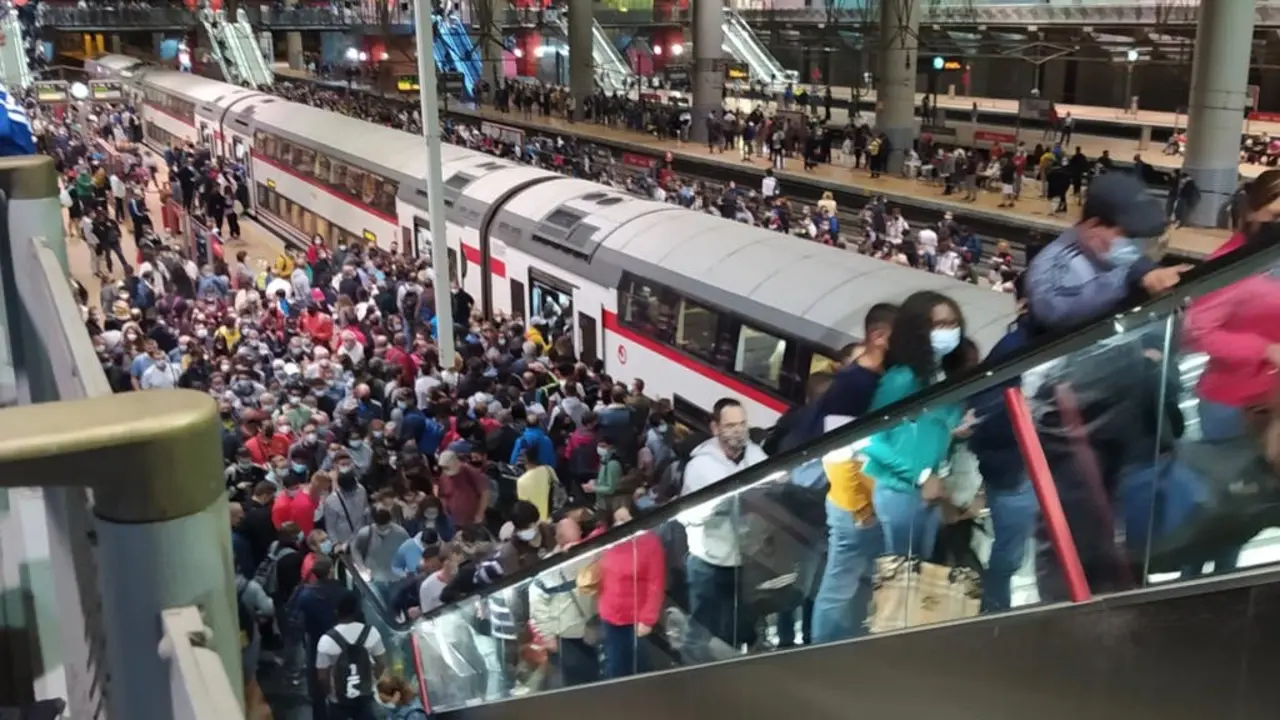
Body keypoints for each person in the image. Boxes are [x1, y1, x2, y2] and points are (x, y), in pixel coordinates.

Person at [861, 291, 974, 560]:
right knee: (901, 573)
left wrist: (959, 429)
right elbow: (869, 440)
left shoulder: (943, 375)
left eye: (953, 324)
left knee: (918, 571)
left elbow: (937, 428)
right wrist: (922, 476)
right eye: (939, 324)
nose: (949, 331)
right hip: (901, 491)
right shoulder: (901, 379)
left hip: (932, 489)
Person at [1024, 172, 1187, 332]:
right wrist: (1129, 278)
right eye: (1128, 234)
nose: (1136, 243)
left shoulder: (1112, 255)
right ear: (1093, 227)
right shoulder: (1053, 263)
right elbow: (1050, 310)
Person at [679, 398, 768, 662]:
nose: (738, 430)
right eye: (730, 425)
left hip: (744, 557)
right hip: (708, 559)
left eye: (742, 424)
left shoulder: (756, 456)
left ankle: (734, 664)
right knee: (702, 623)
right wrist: (720, 505)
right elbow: (688, 515)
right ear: (715, 428)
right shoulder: (700, 467)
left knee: (739, 620)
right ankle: (692, 669)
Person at [595, 499, 665, 679]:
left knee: (640, 666)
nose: (621, 525)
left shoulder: (649, 541)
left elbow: (655, 583)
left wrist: (647, 619)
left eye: (625, 520)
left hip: (636, 618)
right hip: (610, 615)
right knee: (615, 665)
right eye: (617, 521)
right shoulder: (605, 537)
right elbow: (585, 546)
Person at [315, 591, 386, 720]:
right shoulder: (371, 633)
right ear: (357, 610)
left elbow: (322, 676)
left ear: (336, 612)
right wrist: (371, 681)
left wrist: (330, 693)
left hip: (338, 701)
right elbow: (381, 663)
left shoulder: (326, 640)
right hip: (365, 698)